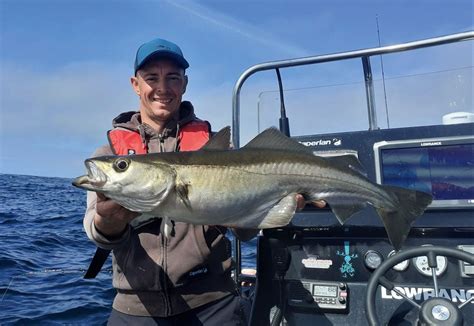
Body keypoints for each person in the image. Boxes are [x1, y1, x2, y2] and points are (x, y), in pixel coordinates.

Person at [83, 37, 322, 325]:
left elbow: (244, 232)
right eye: (152, 78)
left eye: (172, 78)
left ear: (184, 84)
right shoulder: (111, 153)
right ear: (136, 84)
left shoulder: (217, 149)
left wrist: (270, 206)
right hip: (135, 309)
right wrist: (108, 222)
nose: (162, 88)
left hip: (213, 305)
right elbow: (96, 231)